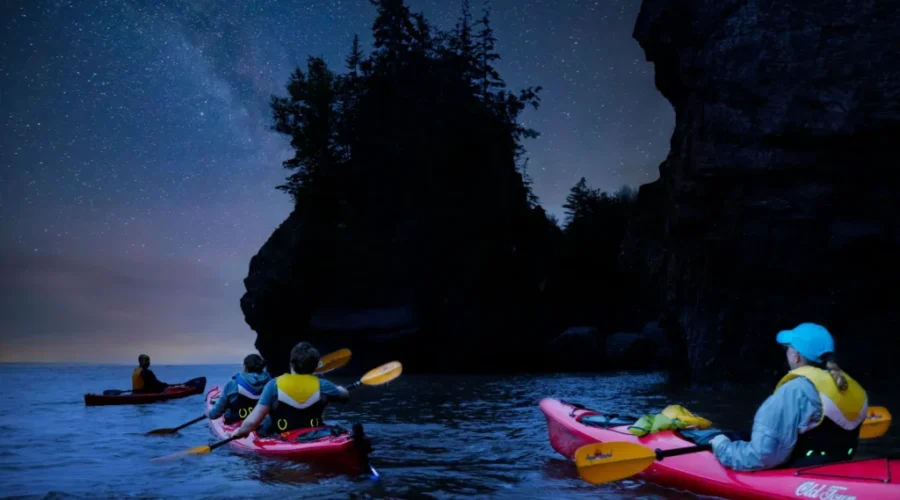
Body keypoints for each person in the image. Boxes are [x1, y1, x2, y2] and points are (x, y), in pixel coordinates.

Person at [710, 323, 868, 471]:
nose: (787, 352)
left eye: (788, 348)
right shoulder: (848, 385)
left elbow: (762, 457)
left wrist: (723, 447)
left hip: (801, 475)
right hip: (839, 467)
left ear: (796, 356)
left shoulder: (794, 391)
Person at [231, 342, 350, 439]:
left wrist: (240, 432)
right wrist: (339, 388)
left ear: (291, 363)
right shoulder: (323, 385)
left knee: (266, 424)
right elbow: (345, 396)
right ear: (314, 366)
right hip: (315, 434)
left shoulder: (273, 385)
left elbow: (252, 423)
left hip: (282, 437)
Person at [206, 354, 272, 424]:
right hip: (264, 422)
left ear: (245, 367)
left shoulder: (232, 384)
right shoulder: (272, 383)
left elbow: (214, 415)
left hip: (236, 422)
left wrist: (208, 414)